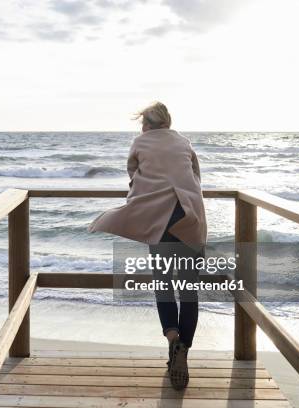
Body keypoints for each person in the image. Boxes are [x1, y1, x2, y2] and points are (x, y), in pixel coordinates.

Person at [88, 101, 207, 390]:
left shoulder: (140, 142)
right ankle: (183, 351)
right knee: (189, 289)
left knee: (164, 284)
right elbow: (196, 177)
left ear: (146, 125)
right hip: (189, 216)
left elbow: (133, 176)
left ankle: (173, 341)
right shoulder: (183, 142)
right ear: (168, 122)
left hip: (160, 218)